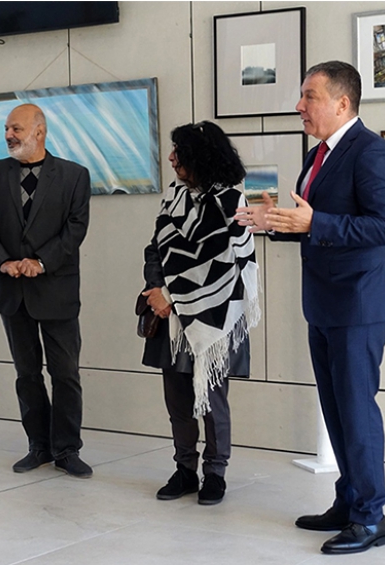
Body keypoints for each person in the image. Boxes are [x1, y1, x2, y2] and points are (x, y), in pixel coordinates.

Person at [236, 61, 385, 554]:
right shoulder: (318, 154)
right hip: (324, 303)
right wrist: (275, 222)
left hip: (359, 304)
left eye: (309, 96)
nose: (299, 106)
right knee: (336, 411)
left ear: (342, 103)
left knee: (357, 412)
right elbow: (312, 223)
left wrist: (314, 224)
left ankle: (370, 519)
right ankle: (348, 501)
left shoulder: (373, 152)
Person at [142, 121, 261, 505]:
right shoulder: (174, 196)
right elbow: (155, 249)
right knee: (177, 401)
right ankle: (184, 470)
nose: (171, 158)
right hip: (171, 320)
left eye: (178, 151)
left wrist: (171, 296)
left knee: (211, 401)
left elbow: (226, 261)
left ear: (199, 156)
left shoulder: (230, 200)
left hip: (214, 315)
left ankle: (215, 473)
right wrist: (156, 290)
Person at [0, 103, 93, 478]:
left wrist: (41, 262)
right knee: (27, 374)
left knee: (65, 374)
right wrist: (3, 261)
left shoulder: (74, 176)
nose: (9, 135)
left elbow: (75, 229)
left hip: (56, 290)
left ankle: (67, 449)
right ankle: (38, 446)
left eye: (17, 129)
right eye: (7, 129)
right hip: (11, 291)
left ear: (39, 132)